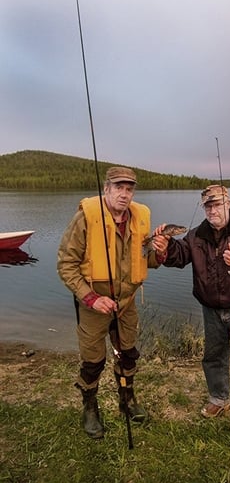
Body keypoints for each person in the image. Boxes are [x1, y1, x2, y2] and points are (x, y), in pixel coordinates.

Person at [154, 184, 230, 466]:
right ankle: (219, 398)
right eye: (207, 206)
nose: (213, 210)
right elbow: (180, 255)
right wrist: (165, 248)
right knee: (213, 358)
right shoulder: (196, 235)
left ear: (228, 202)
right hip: (211, 308)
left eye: (217, 204)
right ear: (203, 208)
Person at [57, 166, 168, 439]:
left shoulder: (139, 219)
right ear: (106, 189)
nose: (124, 194)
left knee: (127, 354)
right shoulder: (85, 218)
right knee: (93, 361)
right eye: (118, 187)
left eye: (129, 189)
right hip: (93, 305)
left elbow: (146, 261)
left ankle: (127, 399)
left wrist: (160, 254)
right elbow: (66, 264)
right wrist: (91, 298)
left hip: (126, 303)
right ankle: (90, 407)